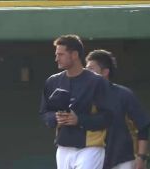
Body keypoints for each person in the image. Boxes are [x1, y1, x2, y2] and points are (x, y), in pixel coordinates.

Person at [39, 34, 113, 169]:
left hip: (90, 147)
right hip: (63, 147)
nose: (56, 58)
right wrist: (55, 117)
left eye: (61, 54)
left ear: (74, 55)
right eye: (56, 54)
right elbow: (44, 113)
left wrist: (78, 120)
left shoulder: (97, 82)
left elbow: (108, 117)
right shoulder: (52, 81)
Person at [85, 49, 150, 169]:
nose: (85, 72)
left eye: (91, 69)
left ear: (105, 72)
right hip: (94, 159)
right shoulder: (83, 96)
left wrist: (141, 157)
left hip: (124, 159)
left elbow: (143, 127)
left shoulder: (124, 94)